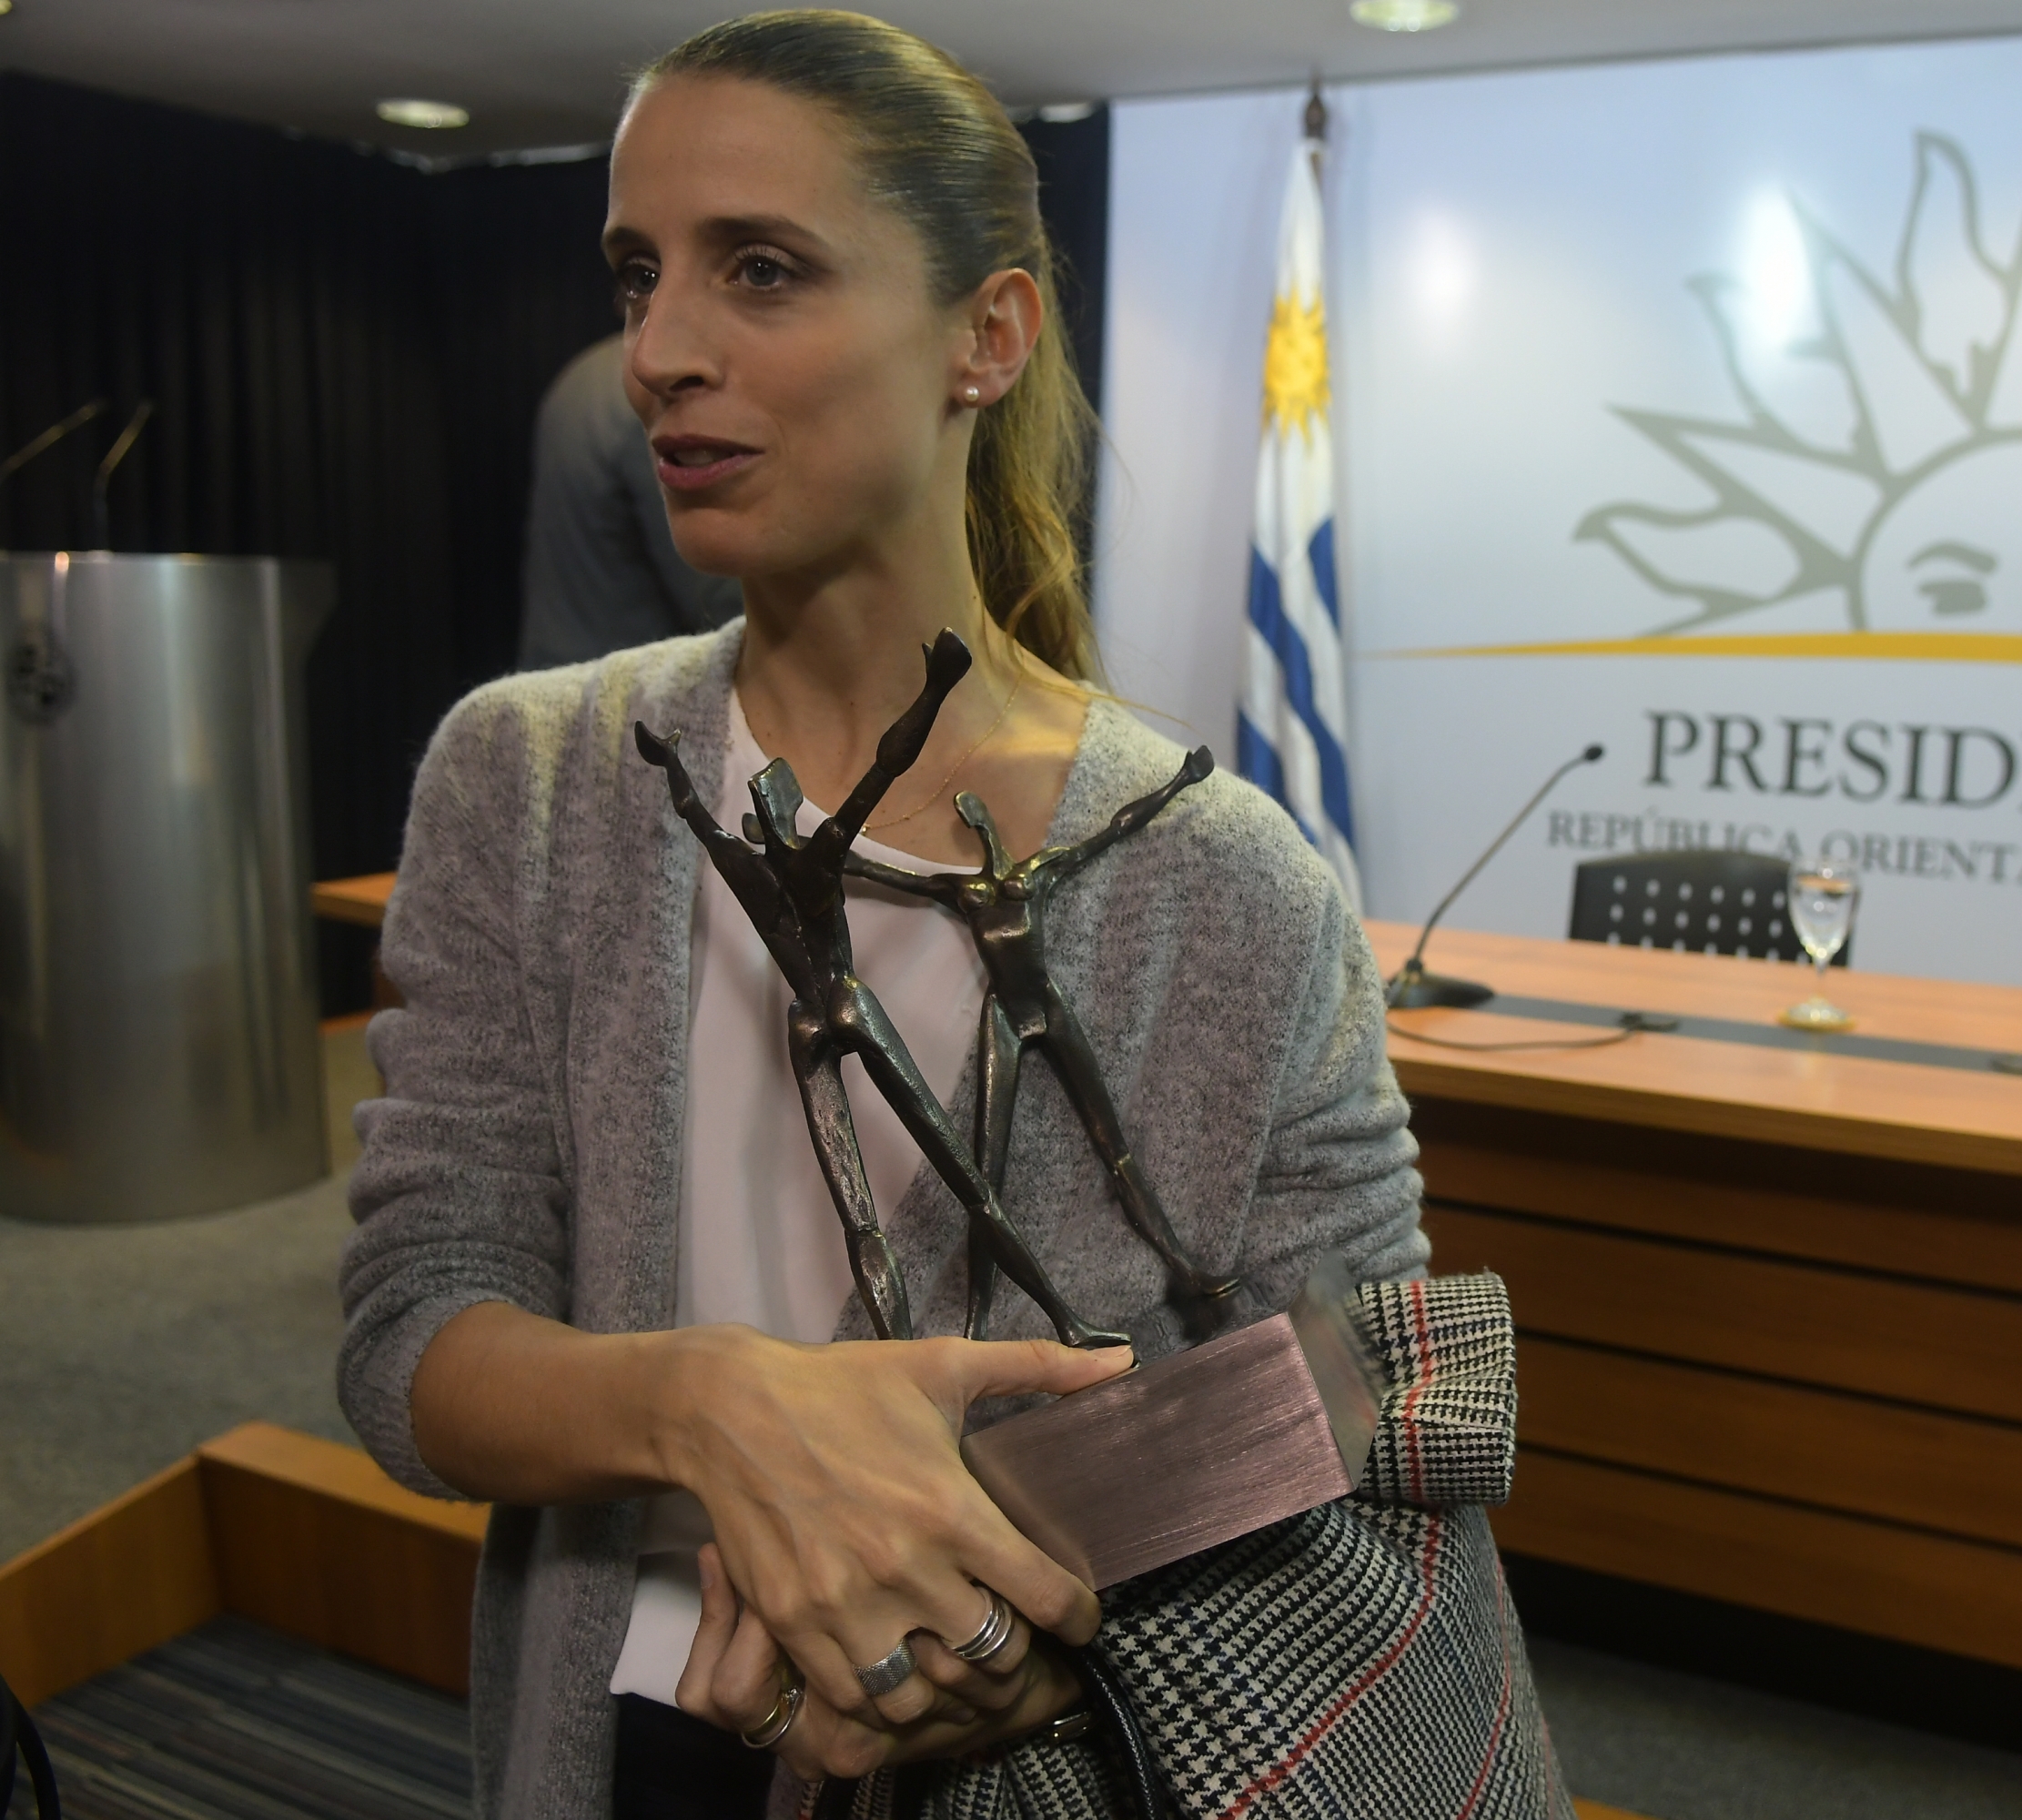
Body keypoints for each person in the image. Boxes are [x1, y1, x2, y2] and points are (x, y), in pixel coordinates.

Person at [337, 11, 1561, 1819]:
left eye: (762, 270)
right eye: (637, 277)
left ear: (987, 335)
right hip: (634, 1736)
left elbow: (1353, 1414)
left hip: (1055, 1758)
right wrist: (711, 1406)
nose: (661, 354)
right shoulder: (525, 784)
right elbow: (409, 1335)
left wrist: (1047, 1631)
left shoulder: (1232, 886)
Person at [516, 335, 745, 670]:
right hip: (630, 687)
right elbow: (723, 600)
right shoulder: (653, 398)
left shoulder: (587, 374)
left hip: (564, 664)